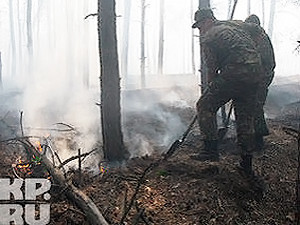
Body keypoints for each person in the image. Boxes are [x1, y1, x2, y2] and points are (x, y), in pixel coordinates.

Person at [191, 9, 263, 175]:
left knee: (204, 105)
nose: (200, 29)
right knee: (245, 118)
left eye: (200, 25)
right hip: (255, 74)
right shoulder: (234, 24)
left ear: (208, 20)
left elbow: (212, 68)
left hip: (234, 73)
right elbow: (258, 30)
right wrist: (251, 52)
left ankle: (210, 150)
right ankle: (246, 163)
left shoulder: (209, 37)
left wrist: (211, 85)